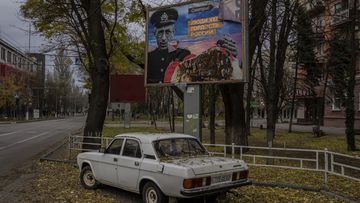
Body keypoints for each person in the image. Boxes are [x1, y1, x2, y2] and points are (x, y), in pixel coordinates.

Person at [147, 8, 191, 84]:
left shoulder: (183, 54)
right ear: (155, 33)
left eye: (168, 32)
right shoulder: (149, 57)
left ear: (173, 32)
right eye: (160, 32)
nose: (164, 38)